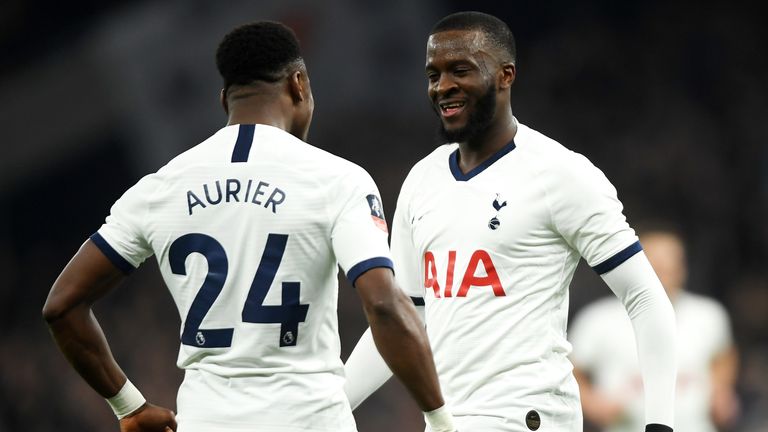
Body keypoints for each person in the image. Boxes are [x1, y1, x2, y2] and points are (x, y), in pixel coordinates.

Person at [42, 21, 456, 432]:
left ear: (225, 100)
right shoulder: (336, 179)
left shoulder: (160, 188)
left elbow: (62, 306)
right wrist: (440, 420)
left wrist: (128, 406)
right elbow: (384, 304)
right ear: (299, 85)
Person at [343, 11, 677, 432]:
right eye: (433, 74)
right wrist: (332, 406)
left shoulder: (560, 173)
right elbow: (402, 318)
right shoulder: (421, 180)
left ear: (505, 75)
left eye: (460, 70)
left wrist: (661, 425)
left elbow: (645, 298)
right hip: (445, 422)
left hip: (527, 420)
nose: (443, 86)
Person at [570, 226, 739, 432]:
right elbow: (571, 370)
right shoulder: (598, 318)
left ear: (682, 268)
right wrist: (592, 404)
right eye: (656, 266)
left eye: (671, 265)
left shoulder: (708, 314)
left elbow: (724, 355)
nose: (664, 273)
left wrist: (721, 390)